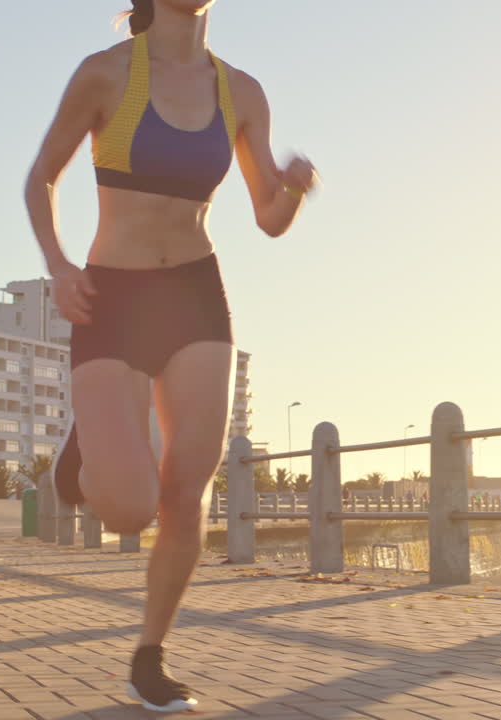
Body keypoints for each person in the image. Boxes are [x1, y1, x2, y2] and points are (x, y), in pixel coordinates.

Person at [24, 0, 317, 711]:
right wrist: (59, 267)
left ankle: (149, 658)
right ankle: (84, 457)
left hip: (194, 296)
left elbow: (268, 218)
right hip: (113, 297)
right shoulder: (104, 75)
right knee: (127, 509)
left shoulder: (240, 92)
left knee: (185, 494)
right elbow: (42, 179)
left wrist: (297, 191)